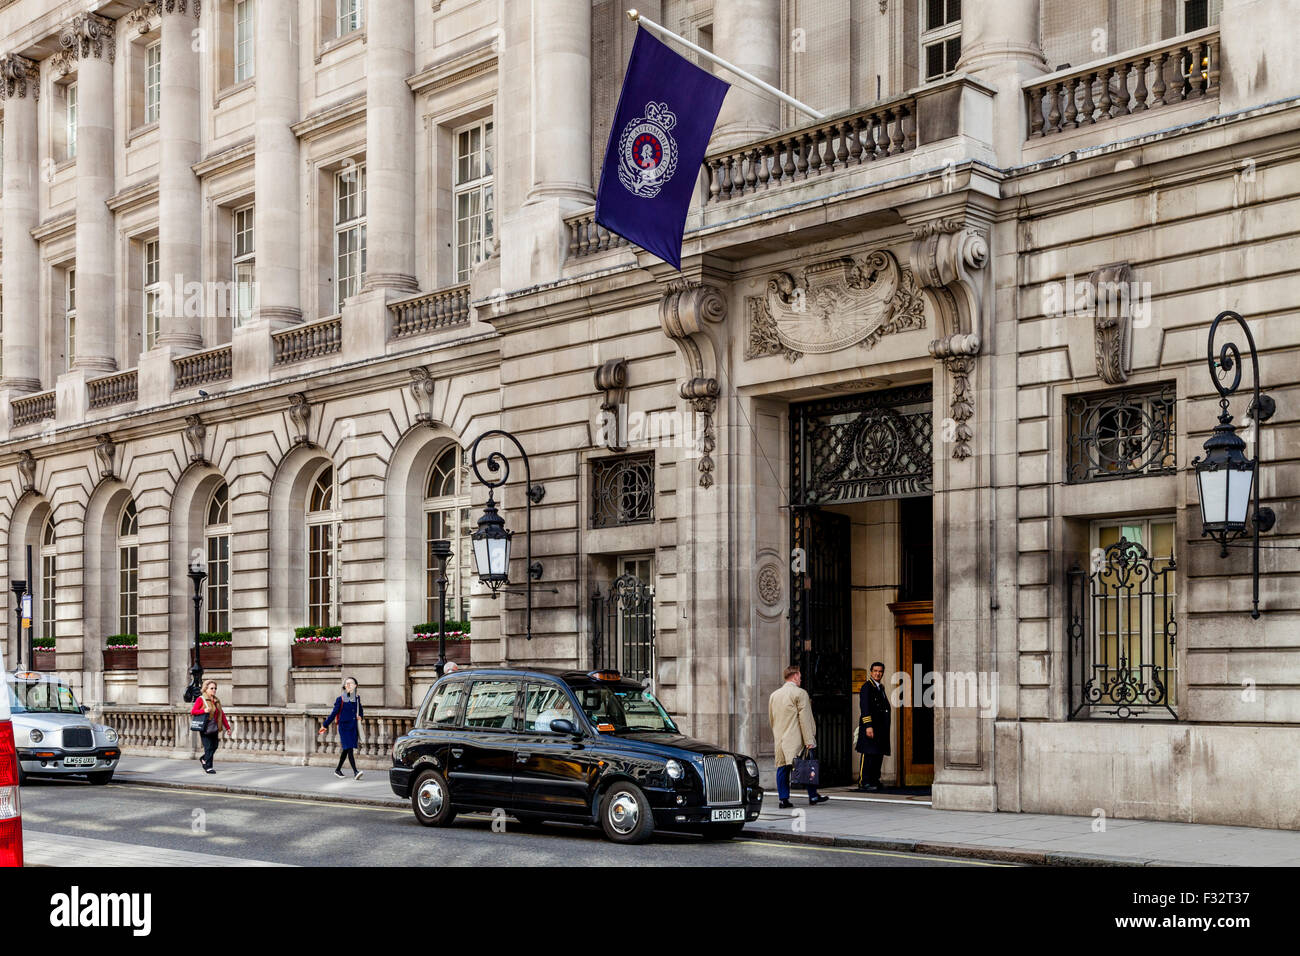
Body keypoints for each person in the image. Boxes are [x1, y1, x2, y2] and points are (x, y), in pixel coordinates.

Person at [768, 664, 828, 809]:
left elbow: (771, 718)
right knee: (807, 766)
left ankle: (783, 799)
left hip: (780, 739)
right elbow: (805, 719)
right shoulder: (800, 694)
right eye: (800, 676)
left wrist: (777, 734)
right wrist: (809, 740)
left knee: (782, 768)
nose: (801, 679)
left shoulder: (774, 695)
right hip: (796, 738)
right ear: (795, 676)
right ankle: (813, 796)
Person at [855, 661, 892, 792]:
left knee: (878, 754)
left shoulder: (880, 688)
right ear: (871, 672)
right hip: (870, 727)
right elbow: (865, 708)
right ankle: (863, 781)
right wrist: (868, 726)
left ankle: (874, 780)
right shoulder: (867, 687)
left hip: (880, 728)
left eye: (880, 671)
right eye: (875, 671)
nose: (878, 673)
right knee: (868, 754)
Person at [320, 677, 364, 779]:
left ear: (355, 686)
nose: (348, 685)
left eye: (351, 683)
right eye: (346, 683)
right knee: (349, 749)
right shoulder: (340, 699)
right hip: (344, 728)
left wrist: (360, 716)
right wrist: (325, 725)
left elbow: (360, 710)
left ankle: (338, 770)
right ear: (344, 686)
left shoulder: (356, 699)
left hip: (353, 728)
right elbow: (334, 713)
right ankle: (355, 772)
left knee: (346, 749)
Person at [190, 680, 232, 774]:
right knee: (208, 747)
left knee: (215, 746)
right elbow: (193, 711)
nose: (214, 690)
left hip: (214, 727)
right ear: (206, 689)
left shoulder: (216, 700)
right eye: (211, 688)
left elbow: (222, 714)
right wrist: (204, 710)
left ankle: (204, 758)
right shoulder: (201, 699)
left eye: (215, 688)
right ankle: (208, 767)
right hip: (205, 727)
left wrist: (228, 727)